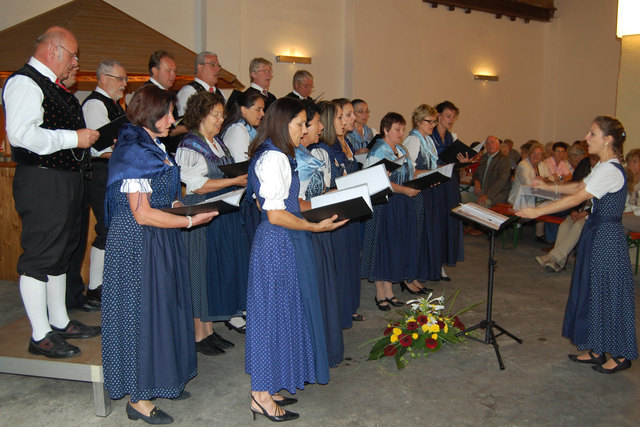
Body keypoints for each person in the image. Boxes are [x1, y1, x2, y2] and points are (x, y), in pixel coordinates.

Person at [101, 84, 216, 423]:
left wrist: (180, 206)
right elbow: (142, 213)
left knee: (166, 310)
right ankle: (139, 398)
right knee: (144, 316)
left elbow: (160, 200)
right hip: (138, 243)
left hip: (159, 238)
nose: (172, 119)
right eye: (166, 113)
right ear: (149, 114)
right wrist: (191, 219)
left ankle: (163, 378)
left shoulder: (152, 145)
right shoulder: (133, 150)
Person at [245, 97, 346, 421]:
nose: (304, 129)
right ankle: (260, 395)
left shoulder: (273, 153)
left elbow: (274, 205)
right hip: (277, 243)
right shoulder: (275, 157)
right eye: (300, 123)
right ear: (282, 122)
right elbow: (274, 214)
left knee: (278, 316)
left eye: (305, 124)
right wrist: (313, 226)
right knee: (271, 319)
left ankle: (268, 387)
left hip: (277, 242)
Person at [3, 26, 101, 358]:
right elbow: (21, 135)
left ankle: (59, 321)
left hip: (64, 178)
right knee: (40, 256)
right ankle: (40, 334)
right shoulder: (24, 82)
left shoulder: (53, 87)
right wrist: (74, 138)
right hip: (43, 180)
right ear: (54, 50)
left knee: (61, 251)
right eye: (73, 55)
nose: (76, 62)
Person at [518, 115, 637, 374]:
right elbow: (581, 186)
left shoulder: (609, 169)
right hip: (598, 233)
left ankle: (619, 355)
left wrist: (540, 211)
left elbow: (580, 197)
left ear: (607, 140)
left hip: (606, 236)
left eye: (592, 134)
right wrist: (549, 186)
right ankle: (596, 348)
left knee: (608, 292)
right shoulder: (604, 165)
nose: (586, 138)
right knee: (594, 290)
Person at [176, 91, 249, 354]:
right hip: (199, 213)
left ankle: (209, 329)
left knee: (210, 273)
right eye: (215, 115)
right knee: (198, 272)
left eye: (222, 115)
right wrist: (233, 181)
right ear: (200, 115)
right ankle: (198, 334)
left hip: (220, 214)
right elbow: (197, 185)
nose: (220, 119)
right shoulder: (190, 145)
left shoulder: (216, 142)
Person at [295, 100, 344, 366]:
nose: (321, 127)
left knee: (324, 291)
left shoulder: (310, 155)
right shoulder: (294, 159)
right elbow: (295, 204)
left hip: (319, 228)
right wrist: (325, 202)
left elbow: (318, 193)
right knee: (309, 295)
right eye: (315, 123)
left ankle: (323, 351)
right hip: (305, 230)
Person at [361, 112, 421, 310]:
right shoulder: (378, 151)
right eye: (397, 129)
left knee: (395, 245)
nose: (401, 133)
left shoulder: (400, 149)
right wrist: (405, 189)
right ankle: (380, 292)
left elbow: (409, 173)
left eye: (403, 129)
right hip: (384, 205)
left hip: (400, 204)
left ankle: (390, 290)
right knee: (383, 246)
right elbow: (378, 181)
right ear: (386, 130)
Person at [81, 59, 128, 308]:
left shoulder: (113, 105)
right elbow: (97, 147)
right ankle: (95, 288)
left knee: (112, 229)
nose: (124, 84)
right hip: (100, 174)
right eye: (121, 79)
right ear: (104, 78)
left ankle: (106, 284)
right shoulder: (95, 105)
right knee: (106, 228)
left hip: (112, 174)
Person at [403, 104, 446, 285]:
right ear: (419, 121)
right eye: (430, 121)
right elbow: (408, 171)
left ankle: (420, 274)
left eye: (435, 121)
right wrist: (431, 173)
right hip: (417, 192)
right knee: (417, 235)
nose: (433, 125)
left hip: (428, 191)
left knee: (426, 235)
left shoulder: (427, 140)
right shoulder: (414, 140)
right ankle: (410, 277)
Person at [432, 101, 464, 272]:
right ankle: (435, 262)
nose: (451, 120)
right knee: (437, 222)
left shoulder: (451, 138)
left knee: (449, 221)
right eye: (448, 116)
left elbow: (452, 162)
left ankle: (444, 261)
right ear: (438, 116)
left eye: (453, 117)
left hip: (450, 182)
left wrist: (463, 162)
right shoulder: (430, 136)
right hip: (437, 183)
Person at [145, 50, 185, 153]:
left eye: (174, 71)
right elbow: (157, 127)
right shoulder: (148, 93)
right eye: (169, 71)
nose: (173, 75)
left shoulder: (164, 92)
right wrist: (190, 127)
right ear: (155, 71)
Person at [462, 135, 512, 208]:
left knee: (482, 204)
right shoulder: (484, 157)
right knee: (459, 198)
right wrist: (476, 182)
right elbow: (476, 174)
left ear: (498, 145)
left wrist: (486, 195)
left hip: (497, 194)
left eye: (492, 142)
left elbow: (501, 181)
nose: (490, 145)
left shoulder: (504, 160)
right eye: (487, 143)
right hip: (481, 192)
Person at [221, 89, 265, 161]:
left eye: (263, 110)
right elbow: (242, 164)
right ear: (244, 110)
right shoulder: (238, 129)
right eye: (258, 109)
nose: (263, 114)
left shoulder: (242, 129)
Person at [176, 51, 225, 116]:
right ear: (200, 67)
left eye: (218, 66)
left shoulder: (221, 93)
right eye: (212, 65)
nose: (217, 69)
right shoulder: (188, 92)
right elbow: (184, 122)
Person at [508, 143, 545, 210]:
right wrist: (541, 181)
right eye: (534, 153)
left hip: (536, 199)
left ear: (542, 156)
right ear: (530, 154)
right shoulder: (523, 165)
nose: (536, 156)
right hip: (520, 199)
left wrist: (544, 180)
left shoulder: (542, 165)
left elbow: (551, 179)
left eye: (539, 154)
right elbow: (527, 183)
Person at [622, 149, 640, 232]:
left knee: (613, 220)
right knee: (616, 229)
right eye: (629, 162)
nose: (630, 165)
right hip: (628, 218)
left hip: (637, 217)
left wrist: (629, 214)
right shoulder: (627, 182)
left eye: (634, 162)